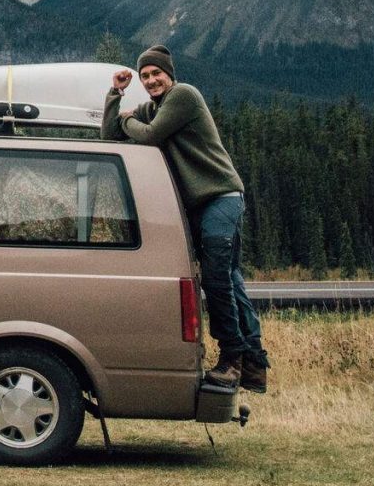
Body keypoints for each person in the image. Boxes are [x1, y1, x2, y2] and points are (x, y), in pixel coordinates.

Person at [104, 46, 269, 392]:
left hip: (220, 197)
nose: (150, 80)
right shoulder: (153, 108)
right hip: (201, 205)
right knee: (230, 278)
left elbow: (148, 135)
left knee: (215, 279)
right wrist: (115, 93)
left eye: (156, 74)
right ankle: (254, 364)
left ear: (169, 74)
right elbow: (110, 137)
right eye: (145, 76)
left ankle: (231, 361)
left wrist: (127, 119)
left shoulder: (183, 95)